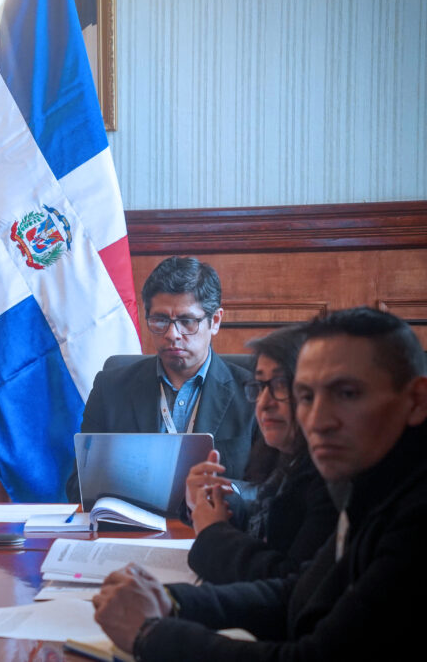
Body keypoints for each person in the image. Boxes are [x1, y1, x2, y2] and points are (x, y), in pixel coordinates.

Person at [92, 307, 427, 660]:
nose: (317, 420)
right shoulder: (373, 484)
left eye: (347, 393)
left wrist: (150, 634)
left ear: (417, 400)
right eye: (306, 396)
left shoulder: (416, 515)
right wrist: (170, 600)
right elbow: (299, 595)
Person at [66, 256, 256, 501]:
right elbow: (78, 487)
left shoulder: (253, 394)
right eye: (160, 320)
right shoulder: (110, 389)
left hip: (217, 520)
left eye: (187, 321)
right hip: (133, 522)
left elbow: (272, 492)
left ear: (215, 321)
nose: (172, 334)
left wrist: (225, 491)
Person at [185, 325, 335, 583]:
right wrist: (214, 502)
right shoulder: (284, 457)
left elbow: (287, 582)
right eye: (260, 386)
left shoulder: (329, 480)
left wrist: (213, 531)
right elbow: (270, 525)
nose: (264, 403)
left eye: (280, 384)